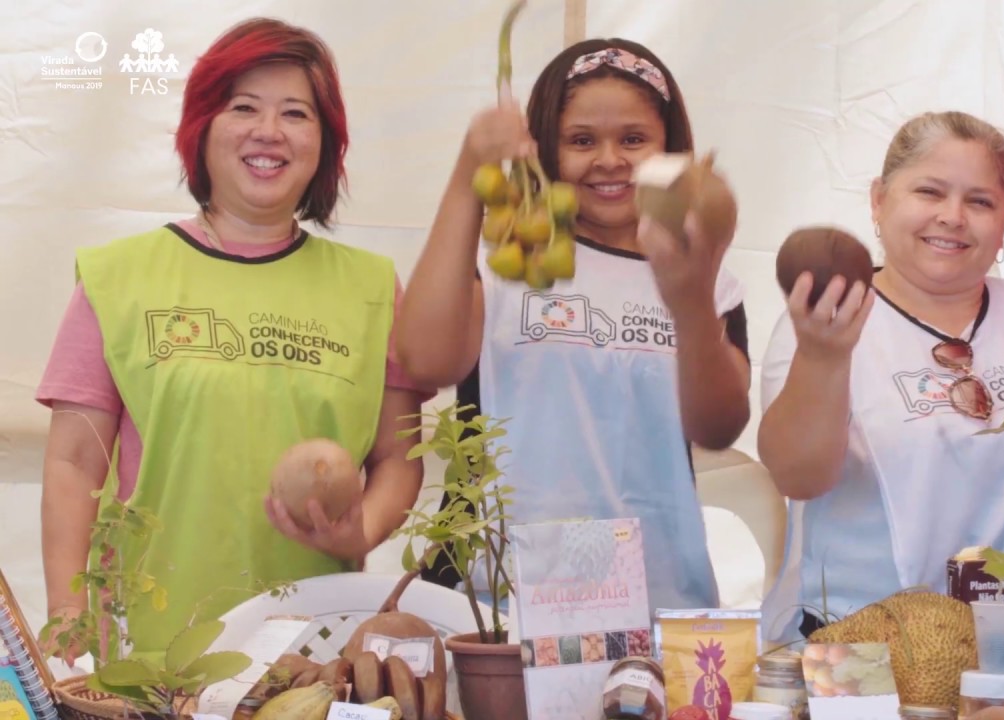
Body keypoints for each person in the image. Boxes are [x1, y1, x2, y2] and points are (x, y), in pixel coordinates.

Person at [37, 18, 428, 661]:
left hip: (314, 650)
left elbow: (397, 457)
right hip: (147, 650)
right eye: (243, 107)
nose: (268, 131)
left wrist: (364, 526)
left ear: (325, 143)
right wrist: (67, 615)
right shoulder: (118, 277)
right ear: (202, 129)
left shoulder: (371, 288)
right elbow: (72, 464)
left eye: (296, 113)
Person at [756, 111, 1004, 640]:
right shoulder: (823, 322)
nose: (952, 217)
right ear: (879, 200)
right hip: (872, 649)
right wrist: (824, 357)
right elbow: (799, 479)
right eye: (929, 192)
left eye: (979, 201)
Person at [398, 39, 751, 611]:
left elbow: (719, 427)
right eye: (582, 140)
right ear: (546, 147)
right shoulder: (509, 255)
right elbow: (423, 359)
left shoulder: (707, 275)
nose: (609, 160)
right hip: (497, 597)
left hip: (659, 597)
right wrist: (472, 168)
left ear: (669, 147)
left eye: (633, 139)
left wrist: (688, 296)